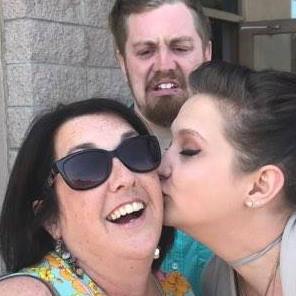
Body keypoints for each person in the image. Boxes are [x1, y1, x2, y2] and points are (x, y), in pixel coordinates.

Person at [0, 98, 194, 296]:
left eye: (136, 151)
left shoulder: (178, 288)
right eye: (87, 166)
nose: (126, 178)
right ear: (51, 219)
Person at [159, 60, 296, 296]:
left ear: (260, 186)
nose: (160, 167)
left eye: (189, 150)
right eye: (169, 145)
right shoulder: (215, 280)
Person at [109, 1, 213, 294]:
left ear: (207, 53)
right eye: (145, 51)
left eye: (180, 48)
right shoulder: (92, 170)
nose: (165, 65)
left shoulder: (257, 154)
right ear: (122, 61)